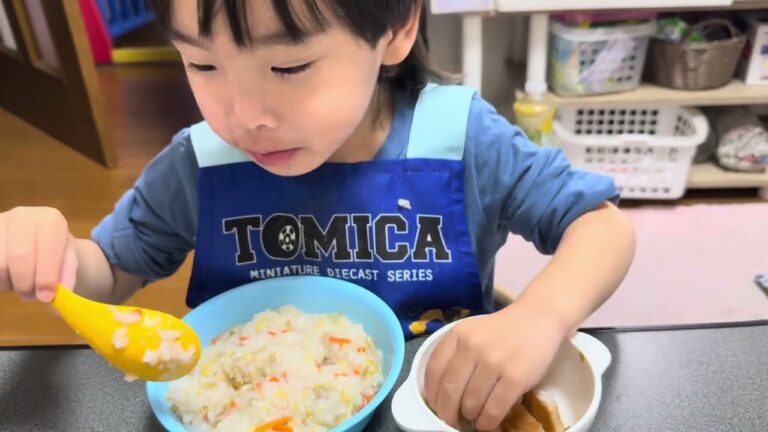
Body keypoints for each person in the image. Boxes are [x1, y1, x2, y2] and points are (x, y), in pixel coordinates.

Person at [0, 1, 635, 430]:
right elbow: (110, 269)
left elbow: (602, 227)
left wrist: (538, 318)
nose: (245, 114)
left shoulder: (459, 136)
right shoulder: (201, 163)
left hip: (444, 406)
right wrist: (51, 255)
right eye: (203, 64)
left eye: (288, 66)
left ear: (395, 29)